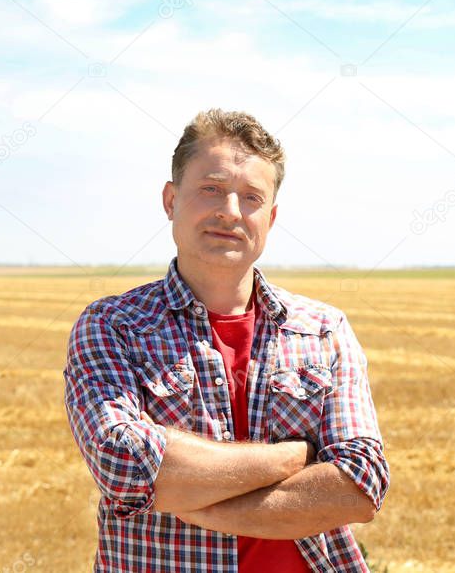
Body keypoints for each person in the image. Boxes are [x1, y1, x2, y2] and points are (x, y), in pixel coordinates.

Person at [63, 109, 390, 572]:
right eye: (211, 189)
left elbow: (361, 485)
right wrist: (296, 456)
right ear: (171, 199)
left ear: (271, 217)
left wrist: (195, 498)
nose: (230, 212)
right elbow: (125, 467)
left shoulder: (323, 329)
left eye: (251, 197)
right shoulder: (114, 326)